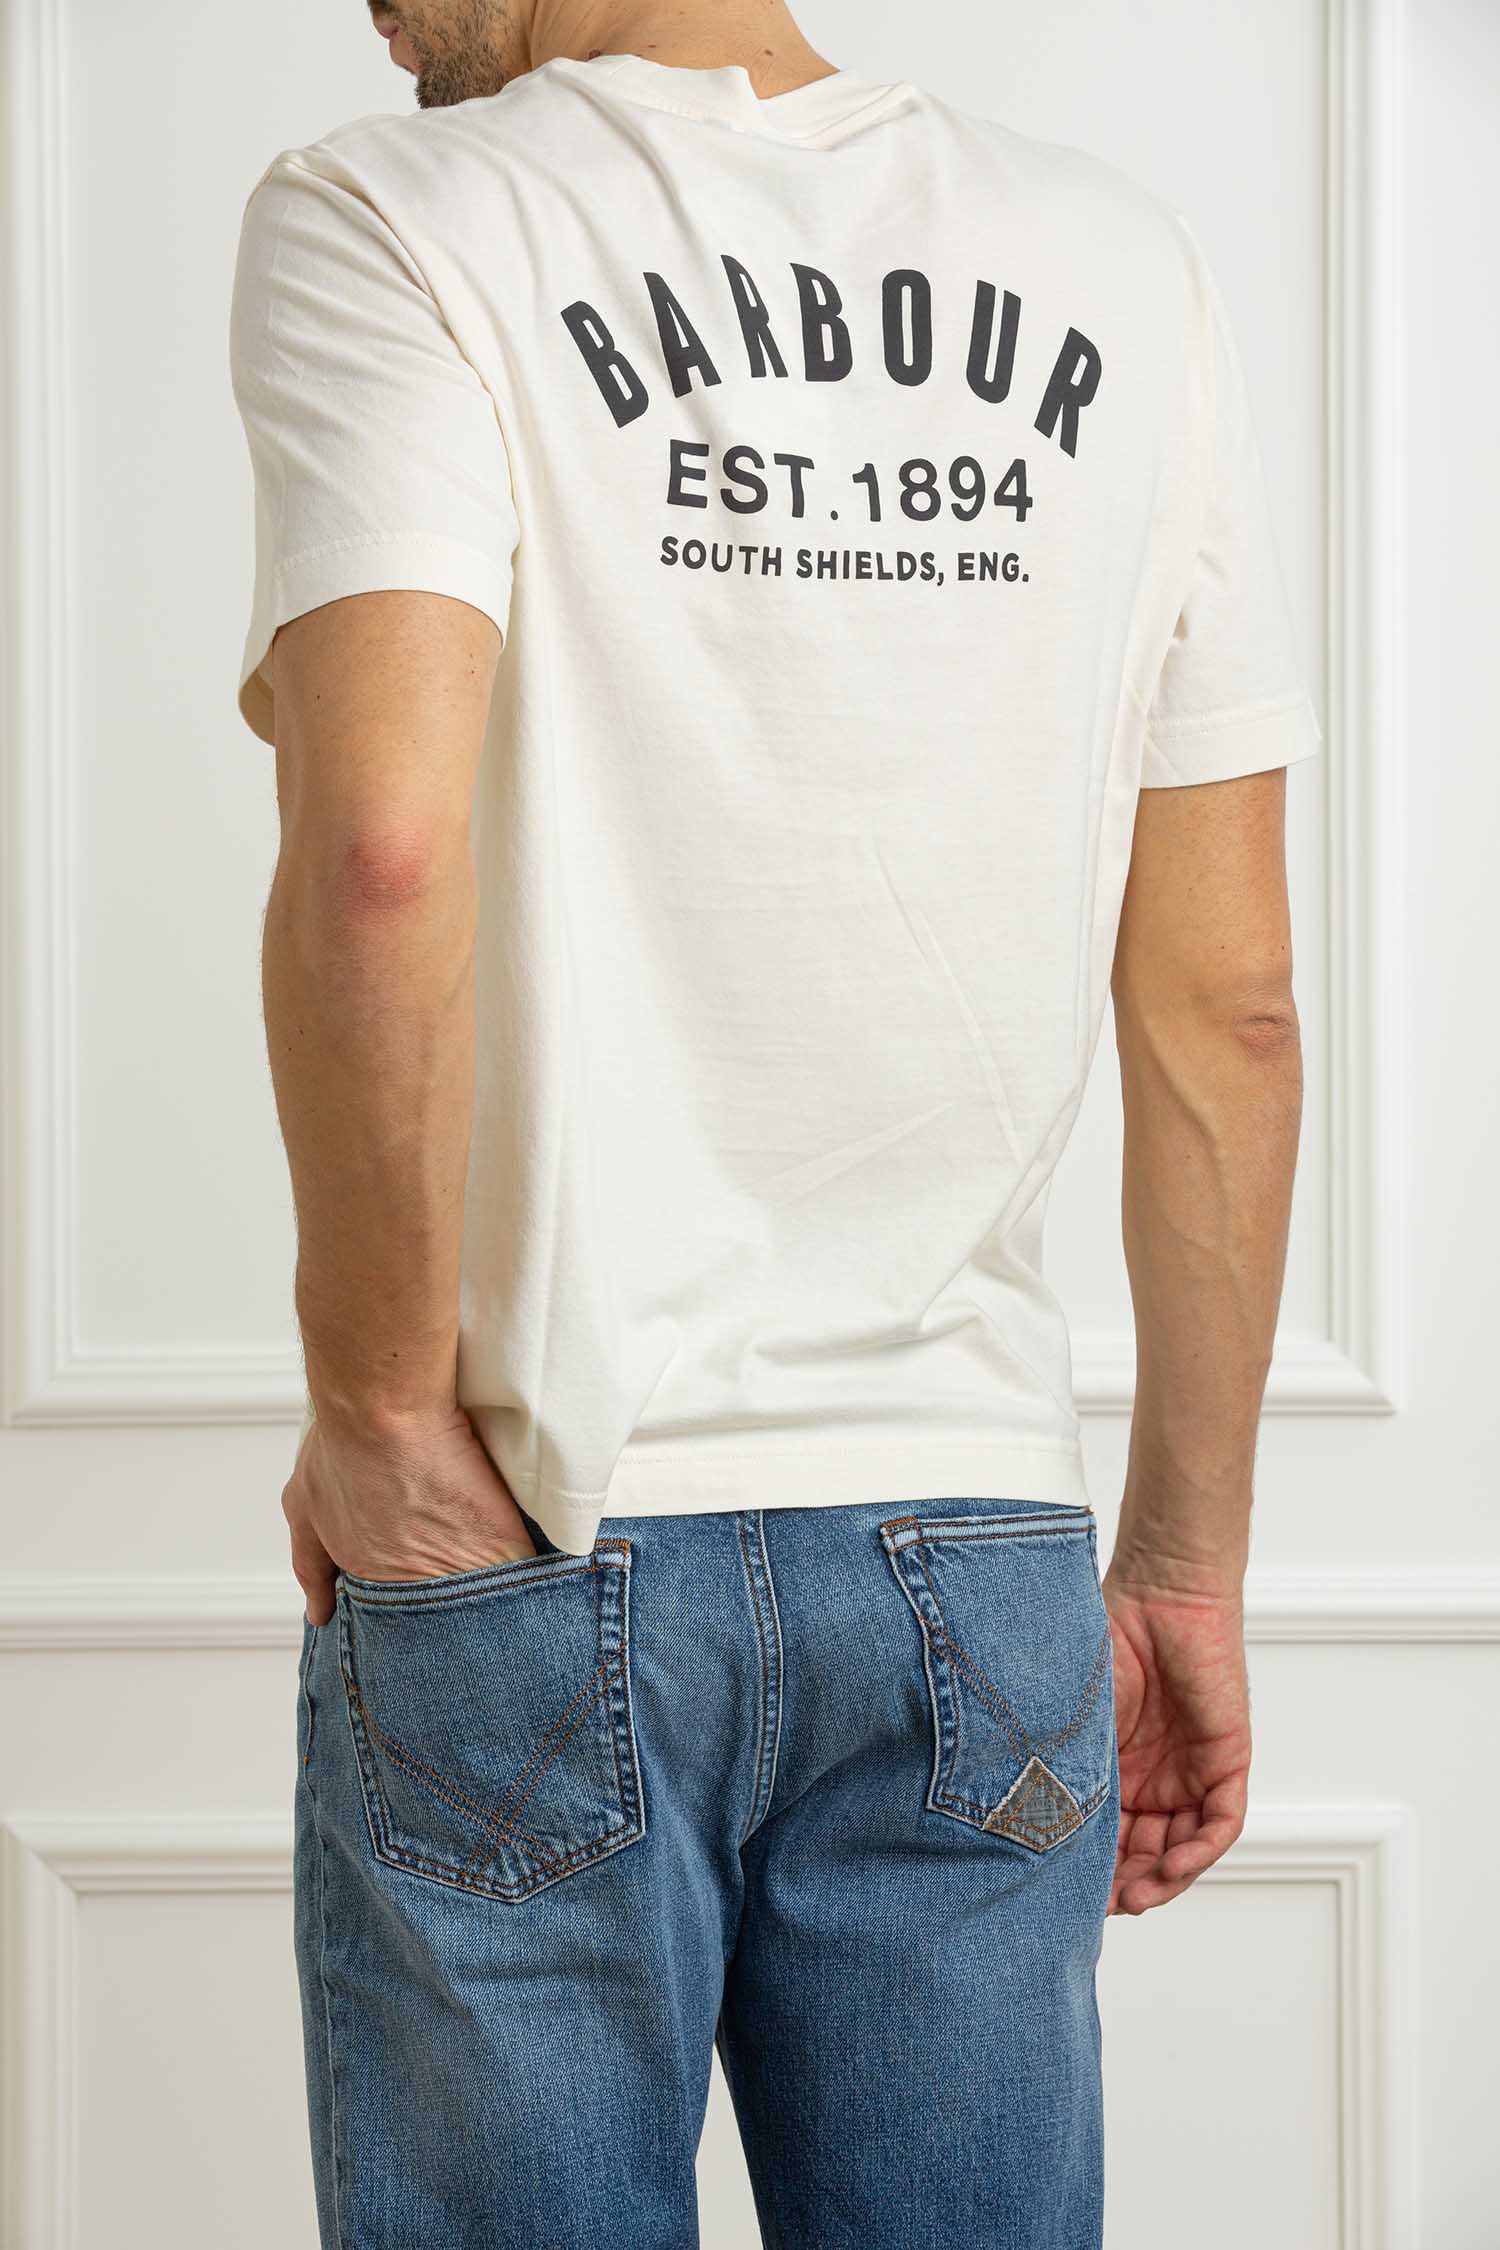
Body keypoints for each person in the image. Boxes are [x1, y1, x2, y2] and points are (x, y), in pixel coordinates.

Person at [228, 3, 1321, 2242]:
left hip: (527, 1528)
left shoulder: (398, 215)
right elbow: (1230, 1008)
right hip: (977, 1547)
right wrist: (1184, 1565)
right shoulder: (1123, 269)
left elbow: (383, 854)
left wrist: (379, 1415)